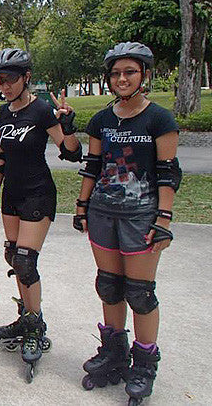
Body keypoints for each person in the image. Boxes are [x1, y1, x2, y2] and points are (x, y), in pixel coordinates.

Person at [74, 42, 180, 405]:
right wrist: (82, 206)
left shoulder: (159, 119)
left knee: (140, 292)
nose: (122, 79)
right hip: (103, 213)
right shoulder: (102, 120)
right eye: (116, 73)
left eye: (129, 72)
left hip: (141, 216)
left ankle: (145, 362)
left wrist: (163, 218)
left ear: (144, 75)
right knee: (109, 286)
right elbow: (92, 166)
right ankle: (114, 352)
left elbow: (168, 173)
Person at [0, 47, 82, 382]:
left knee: (26, 260)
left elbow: (71, 153)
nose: (5, 85)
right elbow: (0, 158)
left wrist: (67, 125)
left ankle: (35, 326)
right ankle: (24, 317)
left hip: (39, 192)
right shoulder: (0, 113)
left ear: (26, 77)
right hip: (11, 193)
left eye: (10, 78)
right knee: (14, 257)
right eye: (0, 79)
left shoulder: (41, 111)